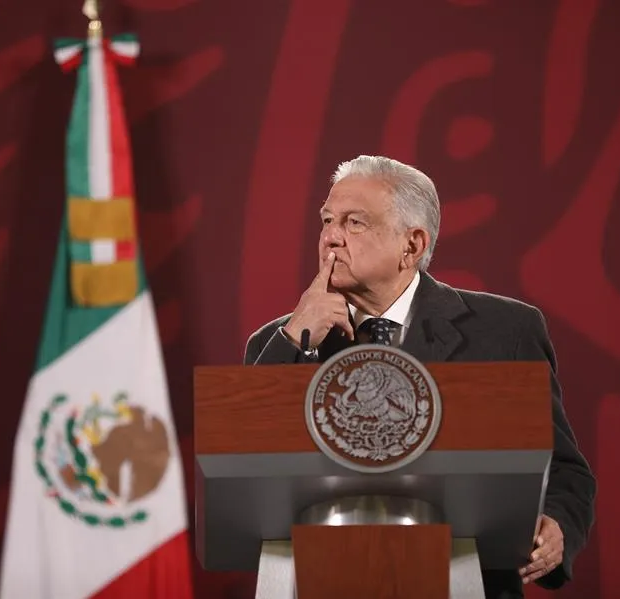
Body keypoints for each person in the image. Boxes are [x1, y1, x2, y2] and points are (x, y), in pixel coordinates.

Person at [243, 155, 596, 599]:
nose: (331, 237)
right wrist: (296, 335)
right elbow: (243, 464)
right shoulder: (280, 343)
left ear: (411, 245)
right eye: (328, 220)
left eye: (354, 223)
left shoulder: (505, 331)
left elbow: (563, 469)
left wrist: (557, 525)